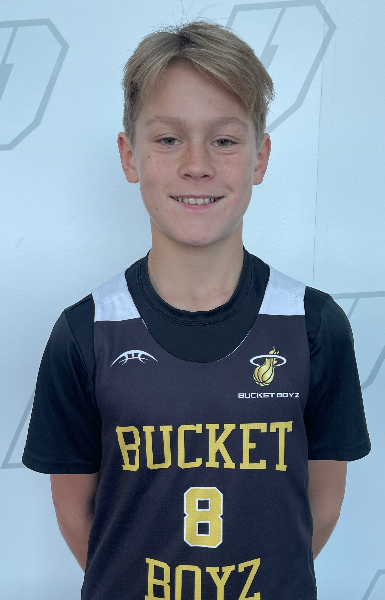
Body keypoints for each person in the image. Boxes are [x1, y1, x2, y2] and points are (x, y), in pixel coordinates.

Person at [22, 19, 371, 600]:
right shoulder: (86, 332)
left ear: (259, 158)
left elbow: (322, 504)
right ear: (129, 156)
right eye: (168, 139)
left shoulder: (313, 325)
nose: (197, 164)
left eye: (225, 140)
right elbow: (76, 513)